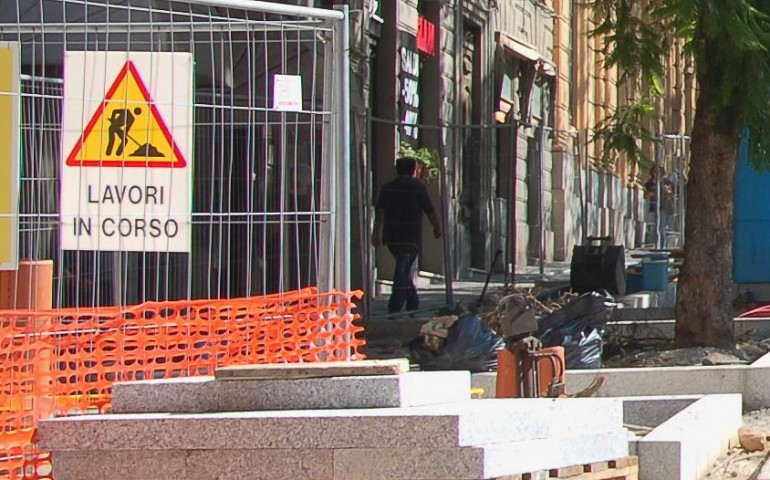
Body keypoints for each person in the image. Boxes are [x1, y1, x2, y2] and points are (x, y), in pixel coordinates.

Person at [372, 157, 442, 315]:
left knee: (402, 268)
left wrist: (376, 233)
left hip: (392, 236)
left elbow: (380, 213)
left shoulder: (387, 187)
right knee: (402, 269)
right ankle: (395, 306)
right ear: (414, 170)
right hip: (411, 236)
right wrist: (437, 227)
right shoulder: (418, 187)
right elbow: (430, 210)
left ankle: (412, 301)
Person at [644, 165, 674, 248]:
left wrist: (666, 190)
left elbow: (671, 193)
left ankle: (662, 247)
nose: (656, 174)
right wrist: (651, 194)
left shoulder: (666, 182)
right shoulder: (649, 183)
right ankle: (655, 245)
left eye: (659, 172)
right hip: (653, 208)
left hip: (663, 208)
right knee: (653, 228)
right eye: (655, 172)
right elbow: (645, 195)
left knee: (662, 228)